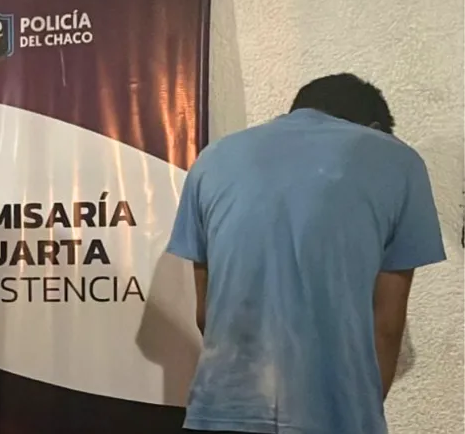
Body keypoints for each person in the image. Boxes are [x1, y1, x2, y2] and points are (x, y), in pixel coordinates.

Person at [167, 73, 446, 434]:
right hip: (333, 417)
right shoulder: (398, 160)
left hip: (217, 413)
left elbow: (206, 313)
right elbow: (387, 325)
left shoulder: (212, 159)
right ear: (375, 128)